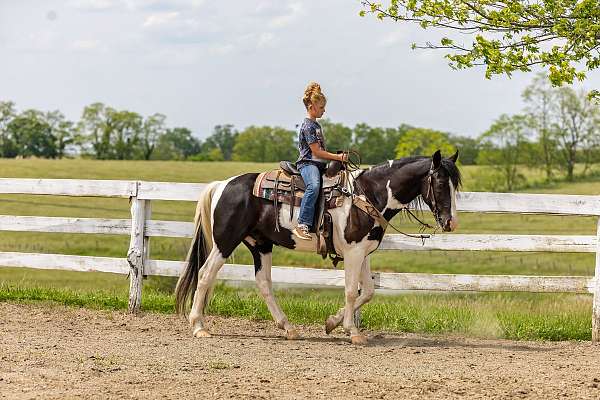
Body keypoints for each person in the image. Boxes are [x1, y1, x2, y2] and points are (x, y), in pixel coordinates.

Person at [292, 82, 347, 241]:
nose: (324, 110)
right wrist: (337, 157)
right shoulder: (308, 126)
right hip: (308, 163)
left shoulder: (316, 125)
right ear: (312, 106)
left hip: (318, 164)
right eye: (322, 107)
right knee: (314, 186)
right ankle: (302, 224)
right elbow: (316, 152)